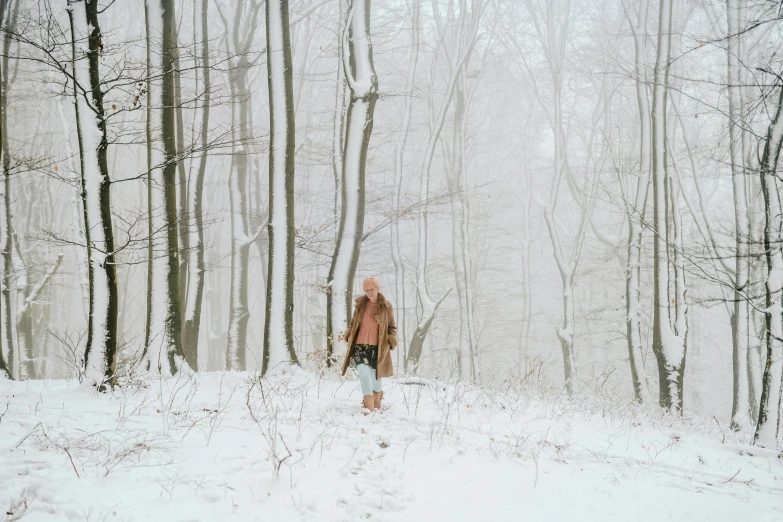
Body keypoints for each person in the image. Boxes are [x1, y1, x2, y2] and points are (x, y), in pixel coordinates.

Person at [341, 277, 397, 413]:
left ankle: (377, 403)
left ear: (378, 289)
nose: (370, 292)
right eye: (367, 290)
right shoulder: (360, 304)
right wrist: (349, 333)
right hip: (360, 346)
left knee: (375, 378)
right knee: (364, 375)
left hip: (376, 348)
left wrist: (390, 339)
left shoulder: (386, 306)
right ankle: (368, 408)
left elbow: (391, 327)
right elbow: (353, 322)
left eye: (372, 289)